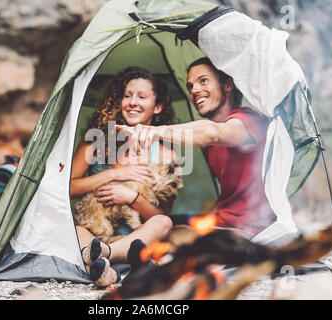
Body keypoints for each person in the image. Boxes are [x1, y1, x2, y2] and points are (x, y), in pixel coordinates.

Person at [117, 57, 276, 239]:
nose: (195, 90)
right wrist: (199, 225)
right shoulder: (210, 144)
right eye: (190, 86)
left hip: (249, 229)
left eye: (203, 81)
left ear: (228, 84)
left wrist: (154, 131)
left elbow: (215, 132)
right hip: (220, 221)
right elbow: (229, 199)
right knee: (161, 222)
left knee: (167, 236)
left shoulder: (249, 120)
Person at [70, 67, 178, 286]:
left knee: (164, 222)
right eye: (127, 96)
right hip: (95, 234)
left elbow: (161, 214)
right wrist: (114, 173)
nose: (132, 102)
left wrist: (131, 198)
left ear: (157, 107)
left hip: (138, 237)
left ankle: (104, 258)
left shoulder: (166, 154)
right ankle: (109, 271)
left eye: (142, 96)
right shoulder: (96, 140)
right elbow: (68, 188)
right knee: (77, 230)